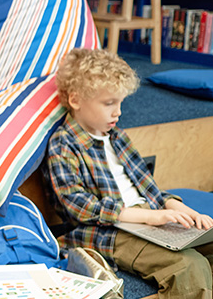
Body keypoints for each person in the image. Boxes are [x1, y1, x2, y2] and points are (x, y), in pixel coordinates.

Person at [42, 48, 213, 299]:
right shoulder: (63, 144)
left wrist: (174, 205)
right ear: (76, 100)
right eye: (109, 103)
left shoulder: (118, 136)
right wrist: (145, 218)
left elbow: (147, 185)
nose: (118, 112)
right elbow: (77, 206)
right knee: (188, 267)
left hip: (147, 217)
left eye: (120, 102)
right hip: (109, 231)